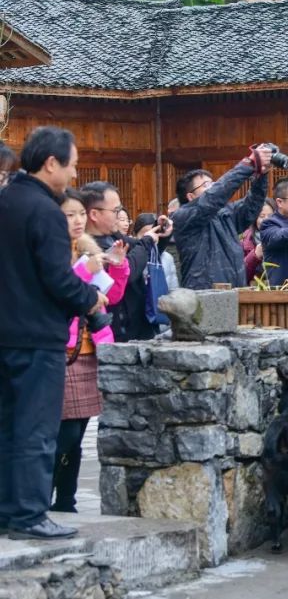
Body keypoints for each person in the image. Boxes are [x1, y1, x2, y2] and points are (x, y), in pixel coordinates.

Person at [0, 126, 107, 540]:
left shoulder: (7, 198)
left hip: (7, 331)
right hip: (36, 336)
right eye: (73, 165)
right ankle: (29, 514)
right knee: (36, 429)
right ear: (51, 164)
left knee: (8, 426)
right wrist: (89, 299)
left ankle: (9, 510)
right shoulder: (44, 210)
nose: (74, 174)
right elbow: (57, 279)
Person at [54, 189, 130, 514]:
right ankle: (42, 494)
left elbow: (109, 297)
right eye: (69, 215)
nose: (77, 221)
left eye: (80, 215)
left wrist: (120, 266)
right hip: (63, 351)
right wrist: (86, 270)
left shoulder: (86, 248)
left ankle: (66, 500)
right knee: (65, 433)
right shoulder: (51, 253)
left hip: (89, 350)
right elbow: (57, 292)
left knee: (79, 431)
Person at [172, 144, 273, 289]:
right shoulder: (183, 216)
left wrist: (260, 175)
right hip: (204, 295)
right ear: (190, 196)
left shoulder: (225, 214)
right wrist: (249, 163)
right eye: (206, 185)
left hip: (235, 291)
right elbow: (215, 196)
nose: (212, 187)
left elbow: (252, 206)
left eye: (213, 182)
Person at [82, 181, 166, 343]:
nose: (120, 215)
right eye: (115, 211)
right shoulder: (87, 247)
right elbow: (131, 269)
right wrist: (147, 241)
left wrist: (160, 232)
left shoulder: (114, 236)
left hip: (139, 323)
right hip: (115, 331)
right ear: (94, 214)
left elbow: (143, 251)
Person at [134, 213, 179, 291]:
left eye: (154, 233)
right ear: (135, 234)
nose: (150, 237)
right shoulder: (133, 256)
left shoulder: (167, 258)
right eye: (146, 234)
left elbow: (174, 288)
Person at [241, 200, 275, 284]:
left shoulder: (285, 237)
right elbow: (240, 276)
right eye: (262, 216)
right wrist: (255, 255)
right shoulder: (244, 241)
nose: (266, 220)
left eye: (270, 216)